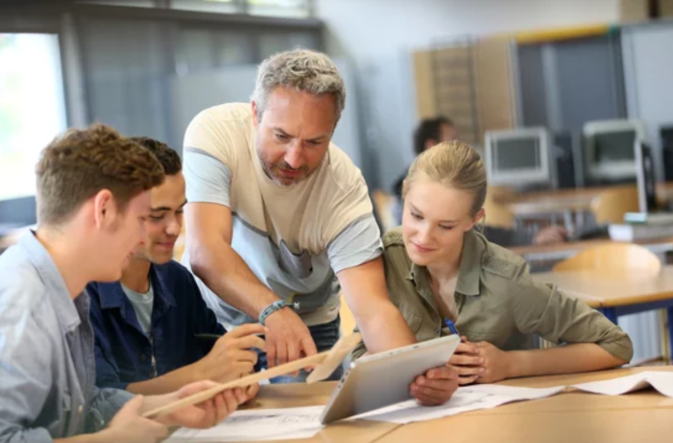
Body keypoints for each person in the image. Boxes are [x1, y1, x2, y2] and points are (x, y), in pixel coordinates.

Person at [181, 49, 458, 404]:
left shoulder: (344, 191)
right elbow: (206, 251)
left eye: (314, 142)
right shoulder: (215, 133)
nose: (295, 158)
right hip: (216, 317)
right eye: (281, 136)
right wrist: (272, 310)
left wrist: (419, 377)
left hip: (308, 325)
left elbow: (373, 310)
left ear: (333, 130)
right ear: (254, 114)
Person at [0, 125, 251, 443]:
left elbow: (84, 405)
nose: (142, 237)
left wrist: (172, 406)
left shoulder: (67, 290)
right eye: (141, 218)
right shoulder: (18, 302)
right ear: (103, 210)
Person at [355, 141, 633, 385]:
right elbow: (359, 356)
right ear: (404, 195)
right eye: (416, 215)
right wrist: (415, 369)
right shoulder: (388, 257)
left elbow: (616, 345)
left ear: (473, 221)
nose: (424, 237)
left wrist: (511, 364)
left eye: (446, 226)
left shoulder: (505, 280)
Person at [87, 137, 265, 396]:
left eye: (179, 211)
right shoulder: (81, 295)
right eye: (157, 216)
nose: (174, 228)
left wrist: (240, 375)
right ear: (111, 210)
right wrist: (203, 373)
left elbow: (220, 354)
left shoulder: (176, 279)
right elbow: (101, 403)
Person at [393, 117, 607, 247]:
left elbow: (476, 233)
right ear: (432, 145)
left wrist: (532, 236)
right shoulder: (419, 193)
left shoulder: (431, 186)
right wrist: (531, 237)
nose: (458, 146)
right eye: (452, 140)